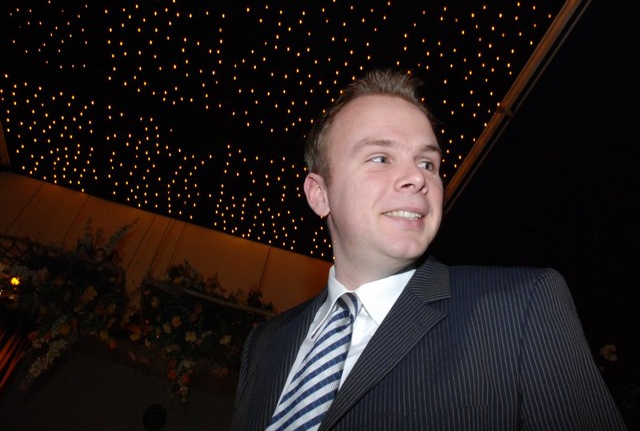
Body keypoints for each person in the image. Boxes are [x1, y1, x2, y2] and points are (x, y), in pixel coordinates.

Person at [230, 69, 626, 430]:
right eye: (380, 157)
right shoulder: (266, 344)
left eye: (428, 163)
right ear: (319, 194)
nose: (417, 178)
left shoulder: (522, 308)